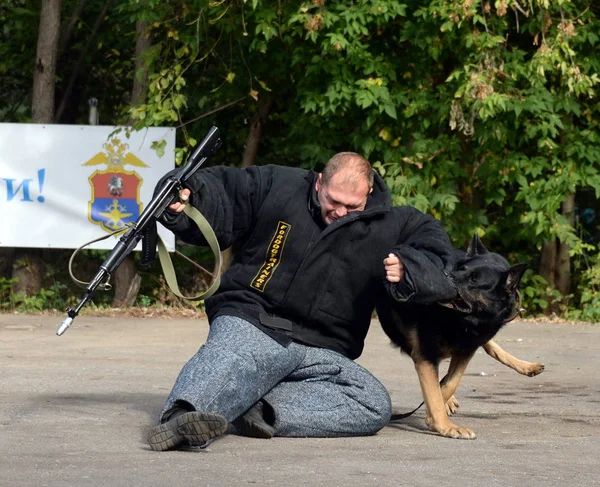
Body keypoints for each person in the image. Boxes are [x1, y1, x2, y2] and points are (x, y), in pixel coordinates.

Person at [148, 152, 457, 451]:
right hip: (254, 319)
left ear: (370, 193)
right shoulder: (278, 184)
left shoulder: (397, 224)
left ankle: (260, 411)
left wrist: (410, 267)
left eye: (352, 206)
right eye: (333, 201)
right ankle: (180, 419)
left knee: (371, 401)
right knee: (234, 356)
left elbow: (438, 252)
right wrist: (187, 197)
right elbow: (225, 191)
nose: (339, 212)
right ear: (320, 182)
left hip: (323, 347)